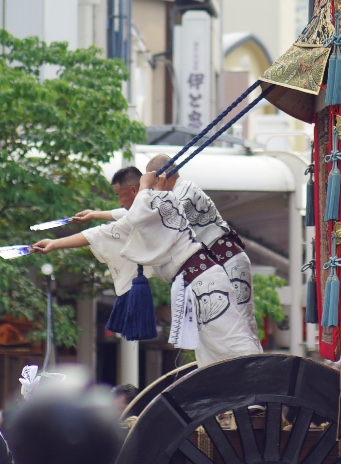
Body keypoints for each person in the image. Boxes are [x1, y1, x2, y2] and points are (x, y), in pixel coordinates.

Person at [33, 155, 261, 369]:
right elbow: (102, 233)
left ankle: (260, 388)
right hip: (196, 282)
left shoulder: (176, 196)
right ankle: (236, 397)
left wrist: (146, 186)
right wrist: (57, 242)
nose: (122, 201)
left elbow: (140, 212)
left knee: (235, 335)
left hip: (222, 266)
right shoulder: (153, 207)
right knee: (211, 346)